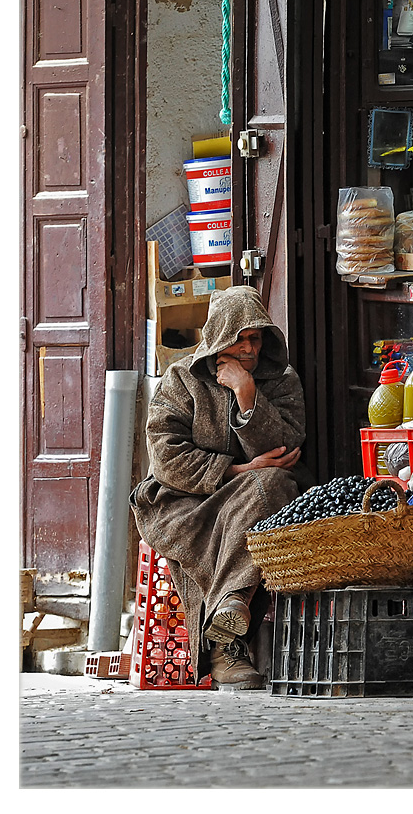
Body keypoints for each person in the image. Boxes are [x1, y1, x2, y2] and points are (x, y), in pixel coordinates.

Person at [130, 285, 306, 689]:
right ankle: (227, 637)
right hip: (182, 502)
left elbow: (284, 449)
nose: (248, 348)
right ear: (219, 337)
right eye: (239, 338)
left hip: (249, 498)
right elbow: (166, 456)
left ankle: (230, 615)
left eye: (256, 338)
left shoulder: (281, 382)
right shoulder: (180, 379)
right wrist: (236, 470)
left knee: (276, 484)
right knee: (258, 489)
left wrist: (247, 394)